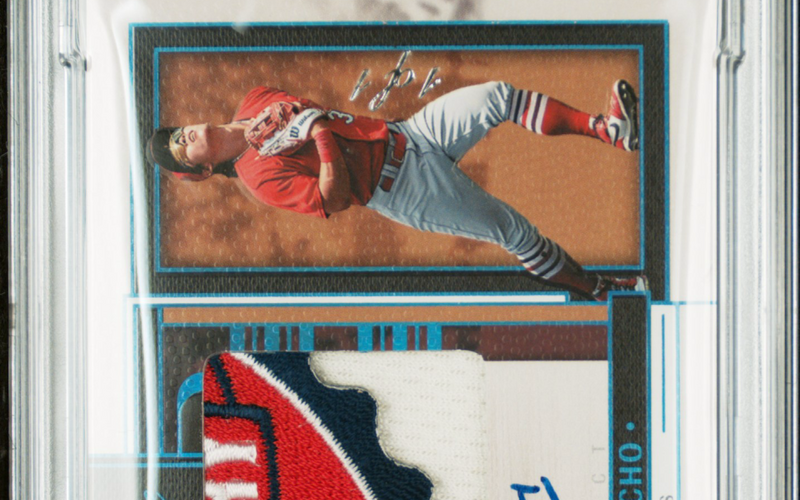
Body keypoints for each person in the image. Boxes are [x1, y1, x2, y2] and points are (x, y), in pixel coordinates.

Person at [147, 78, 646, 301]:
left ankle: (610, 131)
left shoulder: (254, 99)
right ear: (204, 170)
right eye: (181, 150)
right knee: (514, 232)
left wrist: (309, 121)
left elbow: (299, 109)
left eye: (178, 133)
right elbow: (332, 199)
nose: (184, 137)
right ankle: (599, 291)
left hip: (408, 133)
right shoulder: (258, 179)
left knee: (497, 97)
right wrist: (319, 133)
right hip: (404, 188)